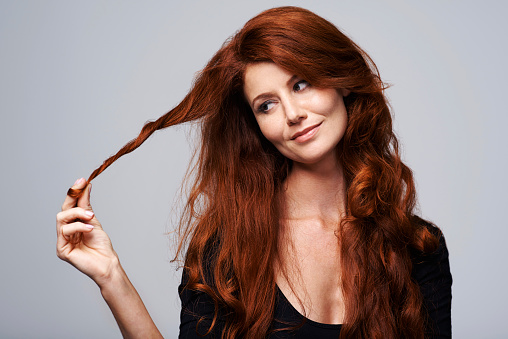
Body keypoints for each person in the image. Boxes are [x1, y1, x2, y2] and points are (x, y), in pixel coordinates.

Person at [56, 6, 452, 338]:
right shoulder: (229, 246)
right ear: (255, 125)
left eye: (301, 83)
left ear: (340, 81)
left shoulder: (416, 246)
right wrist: (112, 278)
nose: (293, 114)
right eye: (267, 105)